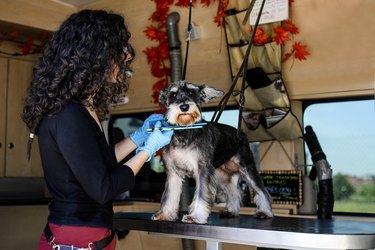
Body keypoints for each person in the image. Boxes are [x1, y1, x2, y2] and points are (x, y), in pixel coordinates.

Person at [21, 9, 173, 250]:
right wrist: (147, 150)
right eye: (118, 50)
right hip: (76, 238)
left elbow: (96, 164)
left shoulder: (79, 109)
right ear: (95, 55)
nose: (125, 57)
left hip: (89, 235)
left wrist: (138, 137)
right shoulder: (68, 114)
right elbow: (103, 188)